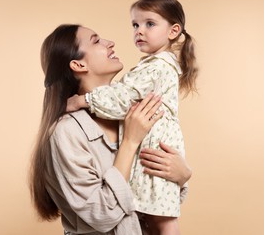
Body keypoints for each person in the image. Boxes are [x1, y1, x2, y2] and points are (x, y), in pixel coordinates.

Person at [29, 24, 192, 235]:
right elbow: (102, 215)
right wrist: (130, 142)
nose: (110, 42)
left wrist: (182, 175)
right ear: (78, 64)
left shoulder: (132, 116)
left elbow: (156, 203)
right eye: (96, 41)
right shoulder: (66, 132)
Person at [66, 0, 198, 234]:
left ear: (173, 31)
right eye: (135, 25)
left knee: (163, 219)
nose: (139, 31)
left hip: (156, 149)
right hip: (154, 149)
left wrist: (84, 100)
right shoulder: (69, 131)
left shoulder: (156, 66)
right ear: (77, 65)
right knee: (161, 218)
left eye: (150, 24)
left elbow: (122, 98)